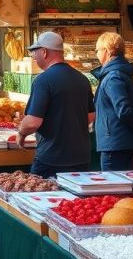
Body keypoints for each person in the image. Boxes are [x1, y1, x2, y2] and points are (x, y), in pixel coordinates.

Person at [17, 31, 94, 178]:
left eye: (35, 52)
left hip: (51, 158)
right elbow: (90, 116)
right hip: (80, 158)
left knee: (41, 197)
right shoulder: (82, 79)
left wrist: (21, 133)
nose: (34, 56)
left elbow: (32, 122)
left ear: (44, 52)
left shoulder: (43, 81)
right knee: (75, 200)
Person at [91, 32, 133, 171]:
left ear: (107, 51)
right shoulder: (117, 73)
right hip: (119, 141)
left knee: (115, 188)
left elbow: (124, 110)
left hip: (115, 144)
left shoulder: (113, 77)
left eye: (97, 50)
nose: (96, 54)